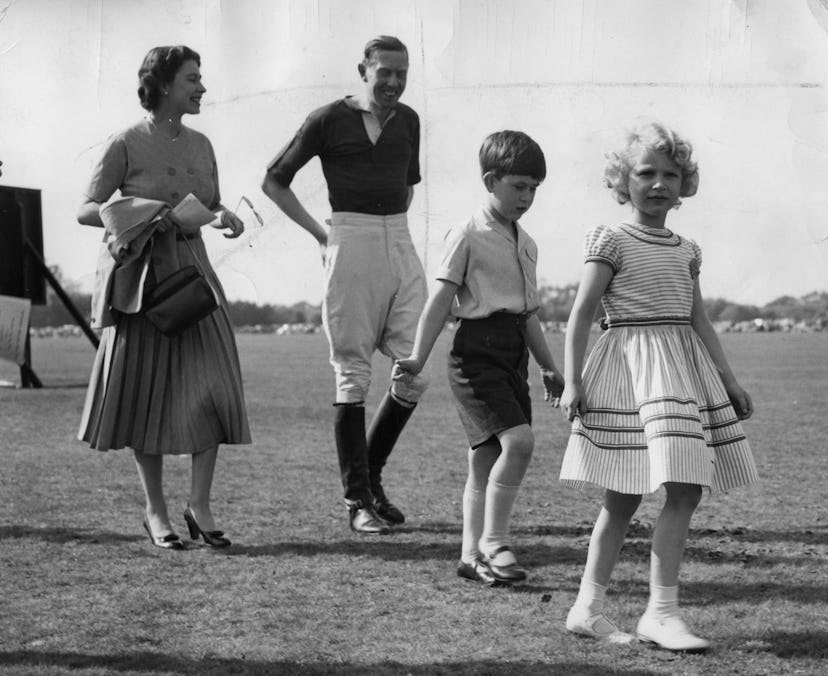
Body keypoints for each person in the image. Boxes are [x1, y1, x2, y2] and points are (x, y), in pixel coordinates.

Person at [559, 121, 759, 650]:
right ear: (622, 181)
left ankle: (660, 611)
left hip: (681, 370)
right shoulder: (612, 240)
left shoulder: (686, 248)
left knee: (686, 487)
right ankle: (590, 608)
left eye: (670, 174)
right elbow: (580, 315)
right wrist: (573, 382)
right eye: (645, 172)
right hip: (628, 371)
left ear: (684, 183)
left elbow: (700, 320)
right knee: (622, 493)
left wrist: (729, 379)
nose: (658, 183)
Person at [77, 45, 251, 550]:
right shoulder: (126, 142)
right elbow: (87, 208)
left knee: (216, 387)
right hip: (143, 284)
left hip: (196, 277)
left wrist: (224, 216)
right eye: (193, 78)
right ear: (165, 85)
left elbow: (209, 202)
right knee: (145, 395)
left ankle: (200, 505)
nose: (201, 87)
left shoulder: (202, 144)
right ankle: (155, 511)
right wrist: (146, 211)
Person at [262, 35, 427, 535]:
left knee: (414, 371)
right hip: (348, 238)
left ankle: (371, 476)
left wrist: (392, 238)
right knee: (353, 374)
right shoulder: (327, 118)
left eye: (402, 73)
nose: (394, 83)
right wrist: (322, 234)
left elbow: (408, 185)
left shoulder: (410, 121)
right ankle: (357, 501)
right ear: (363, 69)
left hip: (399, 240)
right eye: (385, 73)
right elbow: (274, 180)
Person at [394, 130, 564, 585]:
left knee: (485, 458)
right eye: (518, 186)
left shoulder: (527, 243)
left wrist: (548, 366)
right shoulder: (466, 234)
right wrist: (415, 357)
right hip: (474, 353)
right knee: (520, 443)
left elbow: (528, 315)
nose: (527, 197)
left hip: (512, 355)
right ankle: (495, 540)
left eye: (534, 188)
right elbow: (438, 302)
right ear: (491, 180)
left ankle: (471, 556)